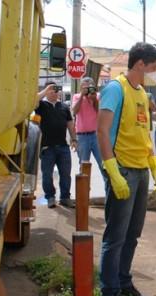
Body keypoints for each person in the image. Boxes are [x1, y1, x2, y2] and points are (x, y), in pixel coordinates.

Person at [97, 42, 156, 296]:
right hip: (122, 170)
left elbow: (143, 134)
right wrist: (112, 170)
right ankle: (109, 294)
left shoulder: (142, 94)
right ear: (140, 65)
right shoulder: (115, 88)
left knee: (133, 235)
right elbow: (101, 130)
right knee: (115, 237)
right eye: (154, 68)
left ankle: (124, 284)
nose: (155, 74)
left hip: (140, 171)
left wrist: (154, 165)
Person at [35, 81, 77, 209]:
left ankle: (65, 197)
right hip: (47, 147)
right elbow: (33, 101)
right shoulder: (41, 105)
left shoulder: (64, 106)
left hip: (63, 147)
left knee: (65, 174)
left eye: (56, 89)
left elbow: (70, 123)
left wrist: (74, 139)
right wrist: (45, 90)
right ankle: (50, 197)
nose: (55, 91)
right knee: (47, 175)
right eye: (52, 89)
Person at [72, 77, 104, 177]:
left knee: (103, 164)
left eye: (89, 87)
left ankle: (109, 190)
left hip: (96, 135)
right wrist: (82, 95)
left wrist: (94, 100)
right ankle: (84, 191)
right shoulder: (77, 97)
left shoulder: (98, 96)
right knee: (83, 166)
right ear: (81, 87)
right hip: (82, 136)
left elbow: (101, 112)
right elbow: (74, 111)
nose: (87, 89)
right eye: (84, 87)